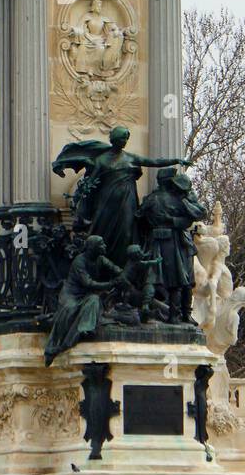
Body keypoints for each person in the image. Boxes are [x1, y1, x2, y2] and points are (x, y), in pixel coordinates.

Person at [53, 126, 185, 268]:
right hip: (106, 202)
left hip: (128, 201)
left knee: (127, 233)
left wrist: (176, 160)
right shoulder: (102, 160)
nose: (124, 141)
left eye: (126, 139)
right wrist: (79, 197)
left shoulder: (131, 157)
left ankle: (123, 268)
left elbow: (154, 162)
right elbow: (90, 182)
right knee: (102, 231)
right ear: (114, 140)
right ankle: (102, 269)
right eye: (122, 138)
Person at [138, 167, 207, 324]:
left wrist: (168, 220)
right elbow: (190, 219)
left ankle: (175, 314)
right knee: (176, 279)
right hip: (172, 241)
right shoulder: (174, 199)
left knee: (167, 278)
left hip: (162, 240)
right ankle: (174, 315)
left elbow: (140, 217)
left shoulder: (154, 198)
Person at [44, 235, 121, 366]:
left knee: (94, 300)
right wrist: (110, 284)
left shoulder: (101, 259)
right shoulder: (79, 261)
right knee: (70, 310)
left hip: (86, 295)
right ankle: (56, 345)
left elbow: (117, 270)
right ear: (92, 248)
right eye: (101, 244)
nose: (105, 246)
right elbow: (88, 283)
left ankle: (85, 329)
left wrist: (127, 274)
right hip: (71, 294)